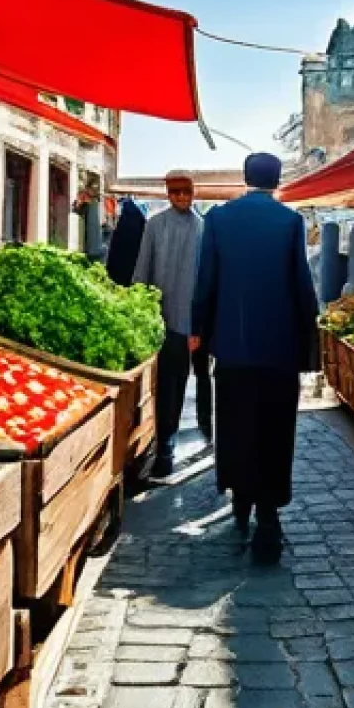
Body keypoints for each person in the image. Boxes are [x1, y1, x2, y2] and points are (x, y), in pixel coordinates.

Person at [191, 152, 319, 564]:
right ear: (278, 180)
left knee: (236, 425)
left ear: (245, 177)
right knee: (274, 430)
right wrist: (310, 342)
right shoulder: (289, 222)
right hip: (278, 349)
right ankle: (268, 517)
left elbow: (206, 280)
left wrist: (200, 331)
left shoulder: (218, 219)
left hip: (232, 347)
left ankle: (241, 499)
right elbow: (302, 282)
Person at [133, 170, 204, 478]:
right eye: (176, 193)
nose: (182, 198)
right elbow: (141, 270)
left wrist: (198, 328)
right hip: (154, 321)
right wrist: (137, 312)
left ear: (193, 193)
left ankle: (166, 449)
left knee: (174, 386)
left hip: (185, 325)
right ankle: (157, 444)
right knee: (156, 386)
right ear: (168, 194)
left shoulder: (202, 228)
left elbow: (204, 281)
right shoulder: (154, 225)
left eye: (186, 193)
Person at [106, 197, 147, 287]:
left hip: (117, 271)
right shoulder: (142, 223)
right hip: (136, 270)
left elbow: (112, 250)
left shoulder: (121, 227)